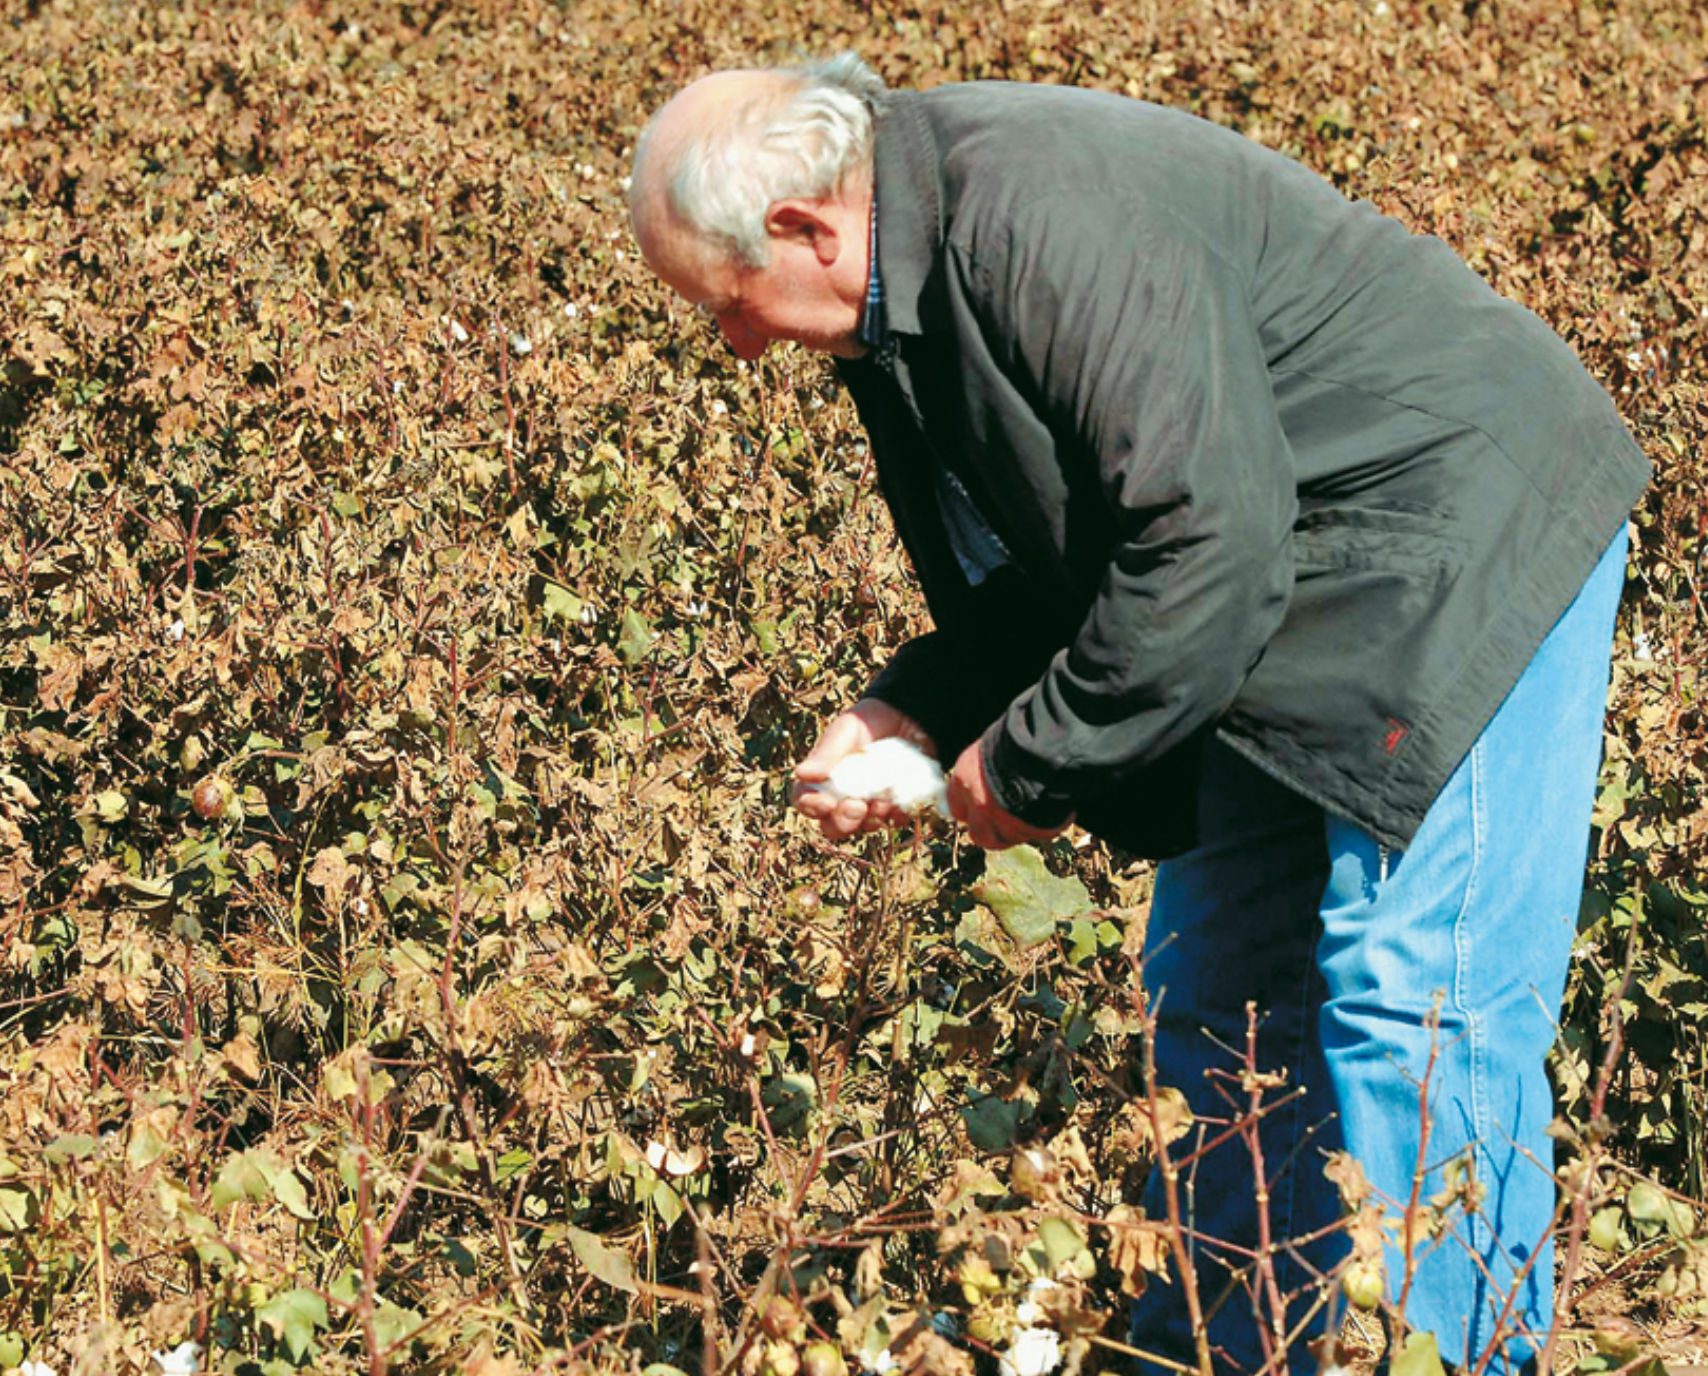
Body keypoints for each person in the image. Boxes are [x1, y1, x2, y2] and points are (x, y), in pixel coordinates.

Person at [629, 54, 1650, 1376]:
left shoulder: (1037, 223)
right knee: (1216, 992)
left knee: (1417, 1004)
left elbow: (1204, 546)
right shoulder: (898, 287)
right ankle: (1223, 1354)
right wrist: (917, 711)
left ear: (806, 230)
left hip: (1460, 536)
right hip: (1275, 588)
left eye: (730, 304)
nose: (738, 342)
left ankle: (1459, 1359)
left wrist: (1032, 764)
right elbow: (1062, 557)